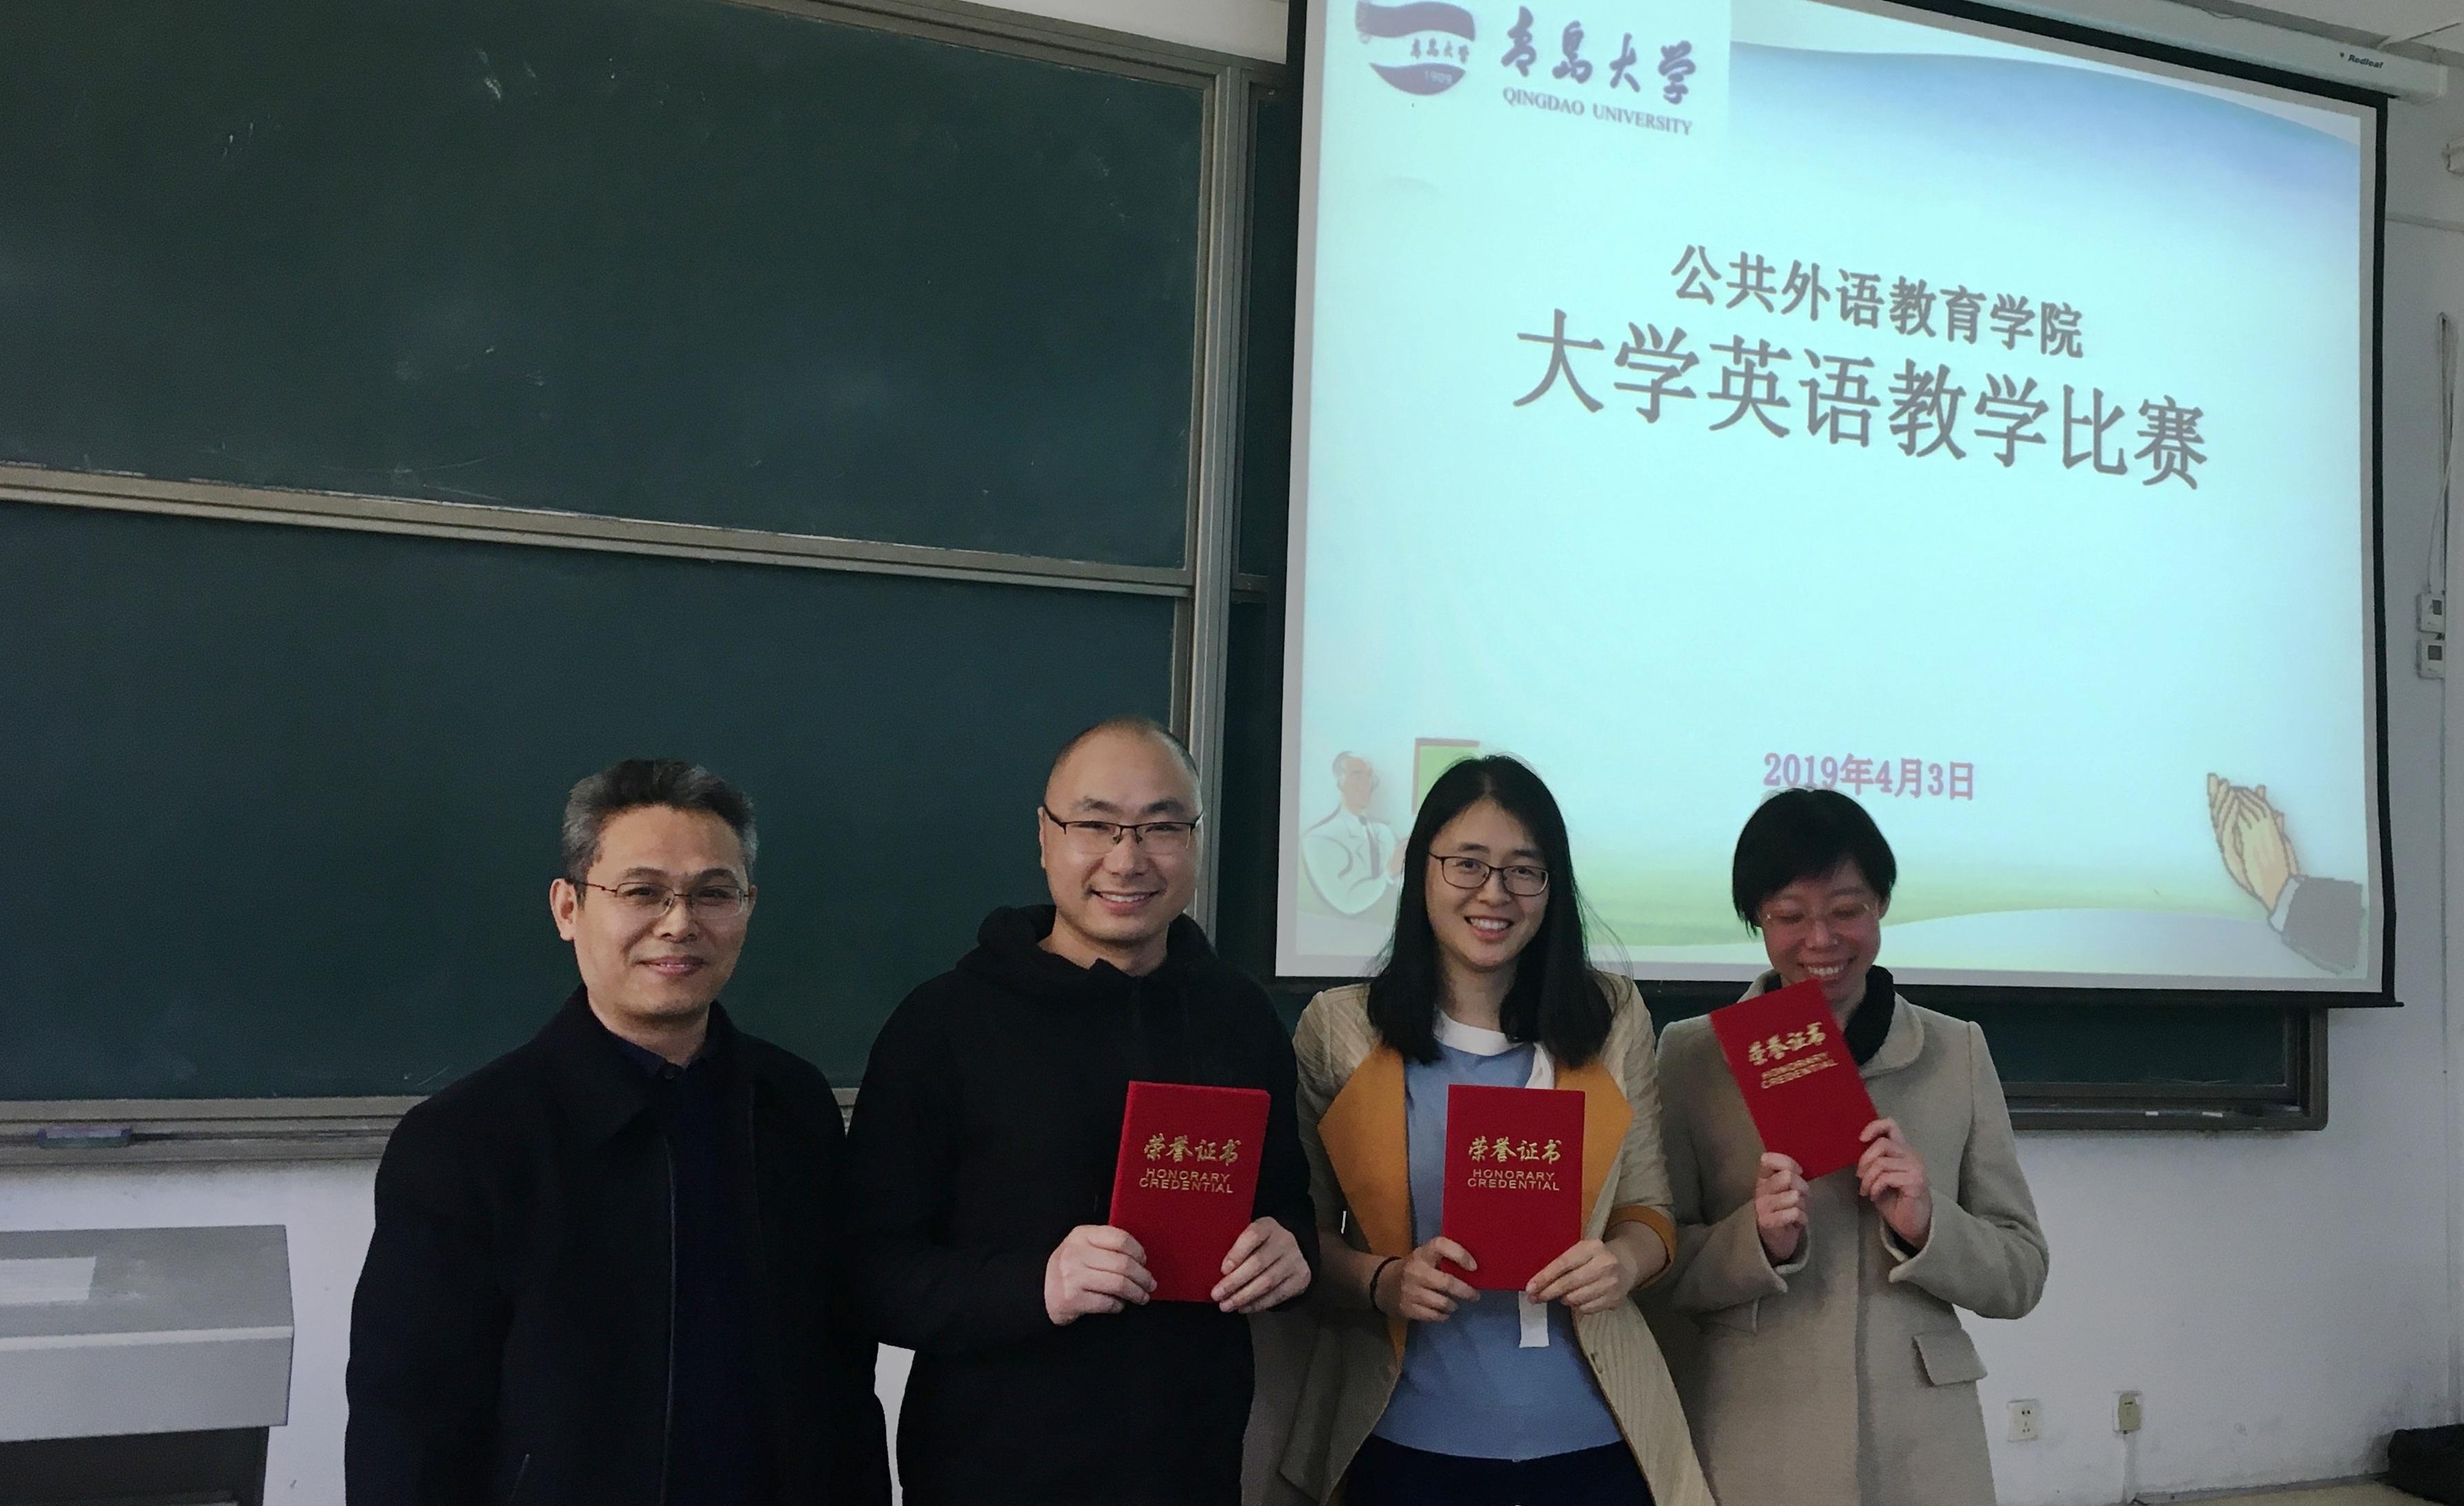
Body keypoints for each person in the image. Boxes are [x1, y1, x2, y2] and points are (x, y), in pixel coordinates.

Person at [345, 759, 888, 1506]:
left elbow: (842, 1372)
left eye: (713, 893)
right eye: (642, 892)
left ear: (749, 906)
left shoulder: (791, 1106)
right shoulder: (465, 1143)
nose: (680, 923)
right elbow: (409, 1431)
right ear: (568, 907)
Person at [844, 716, 1316, 1506]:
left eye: (1162, 827)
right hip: (990, 1474)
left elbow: (1286, 1207)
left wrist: (1290, 1252)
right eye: (1096, 825)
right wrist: (1038, 1285)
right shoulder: (944, 1025)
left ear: (1196, 839)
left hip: (1190, 1466)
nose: (1127, 859)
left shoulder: (1239, 1016)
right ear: (1045, 835)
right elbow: (870, 1272)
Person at [1280, 755, 1713, 1506]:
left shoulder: (1610, 1017)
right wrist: (1382, 1280)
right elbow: (1300, 1233)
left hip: (1594, 1439)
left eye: (1524, 870)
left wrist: (1621, 1261)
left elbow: (1650, 1211)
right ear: (1420, 870)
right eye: (1468, 864)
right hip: (1405, 1442)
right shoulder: (1341, 1029)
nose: (1494, 893)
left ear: (1553, 885)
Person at [1653, 787, 2049, 1506]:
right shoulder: (1691, 1057)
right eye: (1790, 916)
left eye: (1846, 910)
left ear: (1881, 905)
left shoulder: (1956, 1051)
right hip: (1756, 1433)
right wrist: (1755, 1241)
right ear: (1757, 919)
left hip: (1922, 1446)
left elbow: (2021, 1273)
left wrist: (1929, 1226)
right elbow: (1656, 1270)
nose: (1821, 940)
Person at [1302, 751, 1403, 915]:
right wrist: (1390, 872)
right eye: (1358, 777)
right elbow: (1347, 903)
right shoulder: (1318, 839)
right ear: (1339, 783)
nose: (1366, 785)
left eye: (1369, 777)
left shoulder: (1385, 833)